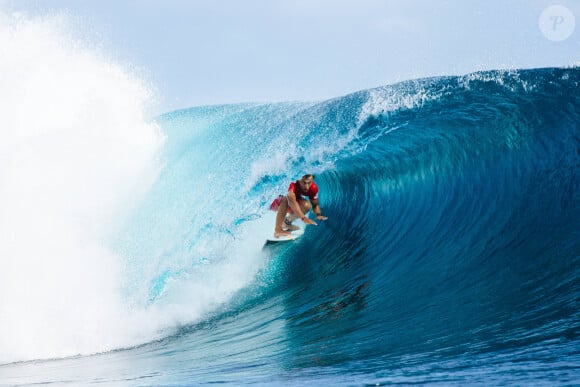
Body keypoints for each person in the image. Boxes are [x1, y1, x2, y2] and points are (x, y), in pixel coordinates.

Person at [270, 174, 328, 238]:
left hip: (288, 205)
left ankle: (286, 222)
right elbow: (292, 202)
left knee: (307, 205)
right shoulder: (292, 183)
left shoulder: (313, 188)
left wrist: (318, 215)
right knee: (285, 198)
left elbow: (315, 204)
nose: (307, 186)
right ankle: (278, 230)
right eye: (304, 183)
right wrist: (304, 218)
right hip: (274, 203)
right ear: (298, 179)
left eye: (309, 183)